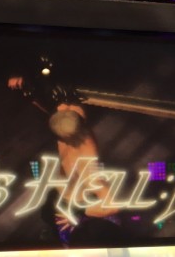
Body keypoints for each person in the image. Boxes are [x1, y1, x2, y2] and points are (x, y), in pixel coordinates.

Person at [7, 57, 124, 246]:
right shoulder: (68, 121)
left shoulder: (86, 166)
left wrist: (79, 213)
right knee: (48, 213)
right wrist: (27, 86)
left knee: (64, 234)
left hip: (72, 205)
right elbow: (58, 107)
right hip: (63, 197)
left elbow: (113, 206)